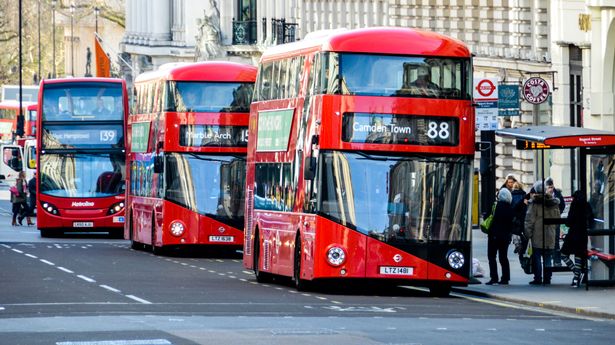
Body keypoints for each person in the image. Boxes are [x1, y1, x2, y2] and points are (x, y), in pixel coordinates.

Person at [525, 181, 560, 285]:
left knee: (537, 257)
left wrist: (528, 234)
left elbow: (529, 220)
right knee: (548, 257)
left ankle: (538, 278)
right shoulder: (553, 202)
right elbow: (557, 219)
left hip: (537, 234)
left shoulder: (534, 203)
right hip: (550, 234)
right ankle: (547, 278)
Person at [562, 190, 593, 287]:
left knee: (563, 254)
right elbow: (591, 218)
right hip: (583, 234)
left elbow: (569, 221)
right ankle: (576, 278)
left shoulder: (574, 204)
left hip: (573, 234)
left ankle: (576, 274)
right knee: (578, 255)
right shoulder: (587, 205)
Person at [485, 188, 514, 285]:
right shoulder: (510, 208)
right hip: (505, 236)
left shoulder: (495, 206)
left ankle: (494, 277)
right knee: (503, 257)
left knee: (492, 256)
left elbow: (488, 217)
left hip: (494, 235)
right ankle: (505, 278)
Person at [545, 177, 565, 265]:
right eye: (549, 187)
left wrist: (558, 213)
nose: (551, 189)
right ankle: (550, 260)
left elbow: (563, 205)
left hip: (556, 221)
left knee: (556, 242)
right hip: (546, 223)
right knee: (548, 242)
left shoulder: (558, 194)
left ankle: (557, 261)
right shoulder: (544, 195)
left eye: (552, 187)